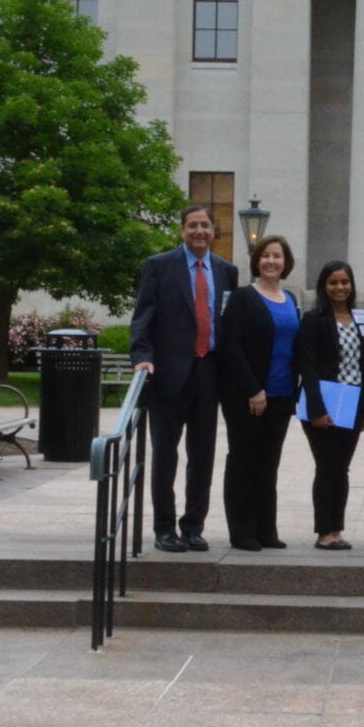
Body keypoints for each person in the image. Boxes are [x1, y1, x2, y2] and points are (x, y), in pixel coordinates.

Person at [130, 204, 240, 553]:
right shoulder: (159, 266)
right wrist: (142, 358)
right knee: (165, 455)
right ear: (182, 230)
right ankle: (164, 529)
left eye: (205, 225)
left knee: (203, 455)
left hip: (210, 373)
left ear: (213, 231)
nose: (199, 231)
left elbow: (229, 323)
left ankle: (193, 526)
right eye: (192, 225)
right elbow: (142, 318)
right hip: (168, 375)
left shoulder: (227, 271)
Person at [218, 234, 300, 551]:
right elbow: (231, 347)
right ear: (257, 261)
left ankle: (267, 529)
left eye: (277, 256)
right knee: (243, 461)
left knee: (268, 464)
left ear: (286, 262)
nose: (271, 261)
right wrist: (253, 388)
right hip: (248, 396)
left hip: (281, 396)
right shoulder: (242, 297)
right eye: (266, 256)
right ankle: (242, 531)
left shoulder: (290, 299)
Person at [294, 259, 364, 550]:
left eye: (345, 282)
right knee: (327, 466)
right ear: (324, 287)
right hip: (323, 401)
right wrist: (317, 408)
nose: (340, 288)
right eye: (333, 283)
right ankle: (324, 532)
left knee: (342, 468)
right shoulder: (314, 319)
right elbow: (308, 366)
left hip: (351, 401)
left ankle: (337, 529)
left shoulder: (360, 317)